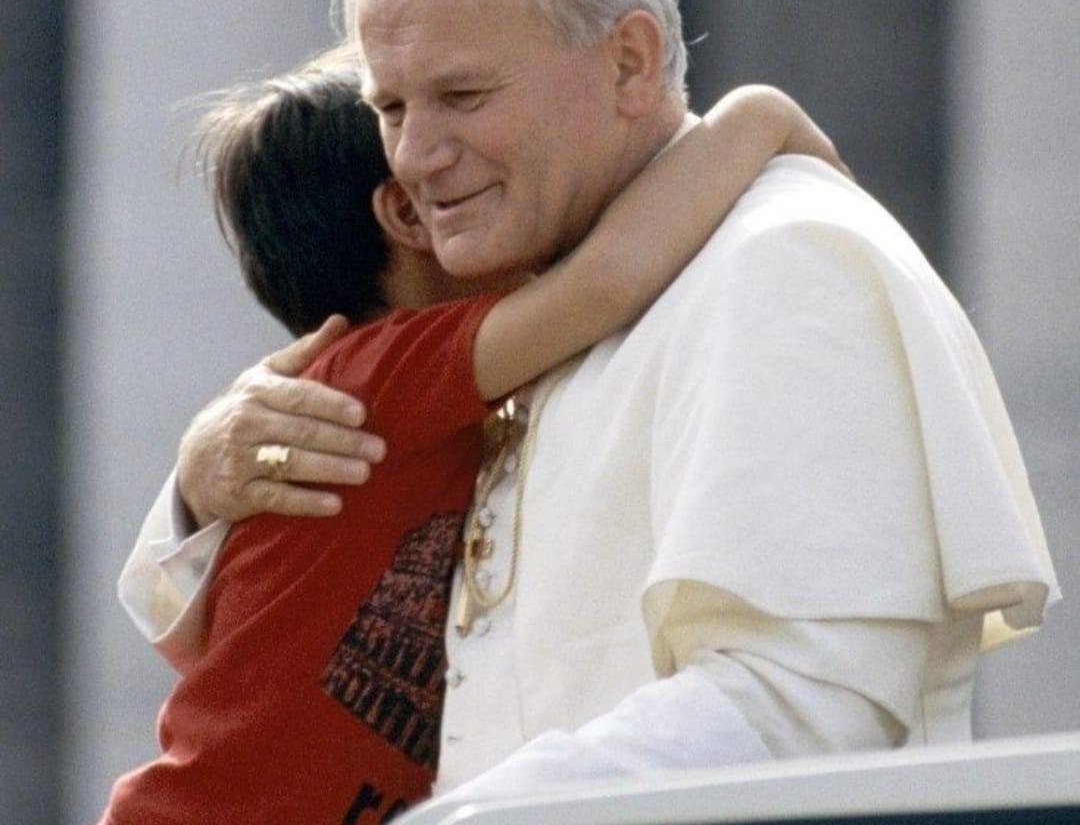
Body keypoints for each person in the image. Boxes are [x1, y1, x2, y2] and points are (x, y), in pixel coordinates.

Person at [121, 0, 1059, 815]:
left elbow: (799, 708)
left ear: (629, 62)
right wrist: (201, 482)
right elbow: (272, 639)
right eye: (392, 109)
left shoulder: (785, 262)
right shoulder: (533, 287)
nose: (415, 157)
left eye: (464, 94)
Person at [102, 59, 845, 823]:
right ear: (409, 213)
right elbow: (607, 279)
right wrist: (761, 116)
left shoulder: (401, 392)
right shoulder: (375, 378)